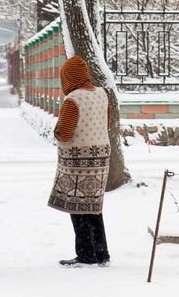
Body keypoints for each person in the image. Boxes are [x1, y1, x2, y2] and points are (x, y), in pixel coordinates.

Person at [48, 55, 111, 267]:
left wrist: (55, 132)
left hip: (78, 161)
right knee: (94, 206)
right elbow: (106, 121)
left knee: (78, 207)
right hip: (100, 157)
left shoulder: (73, 99)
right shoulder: (102, 94)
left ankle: (86, 254)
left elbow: (64, 132)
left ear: (68, 77)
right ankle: (101, 253)